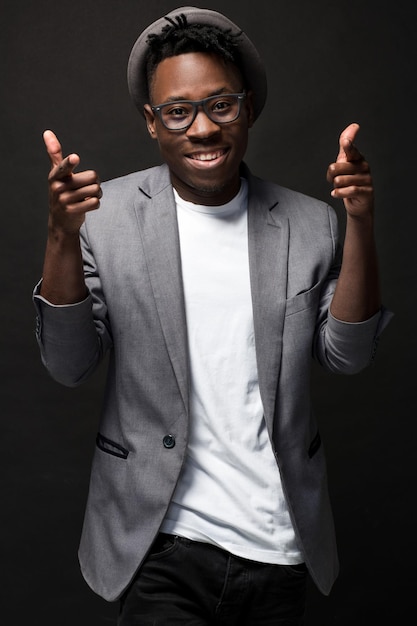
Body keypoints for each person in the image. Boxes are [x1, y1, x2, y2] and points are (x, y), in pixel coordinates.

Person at [33, 6, 392, 625]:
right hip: (159, 543)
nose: (202, 128)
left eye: (221, 105)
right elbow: (69, 366)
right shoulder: (106, 215)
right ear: (152, 122)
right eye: (178, 111)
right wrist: (62, 236)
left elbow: (349, 355)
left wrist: (358, 221)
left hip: (278, 545)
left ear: (247, 108)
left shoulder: (308, 224)